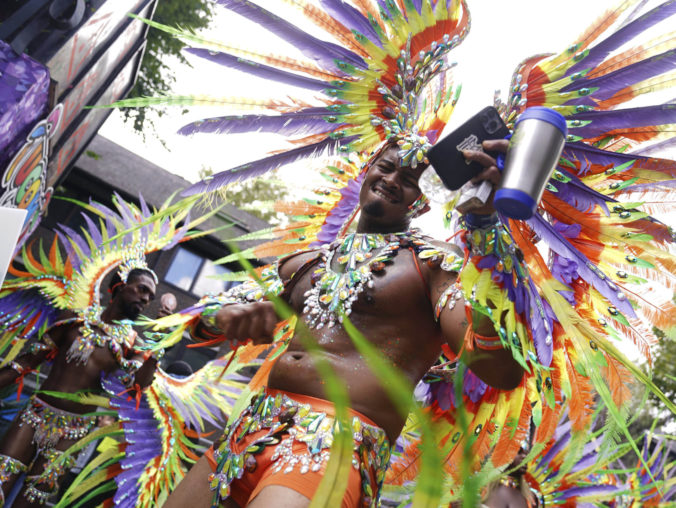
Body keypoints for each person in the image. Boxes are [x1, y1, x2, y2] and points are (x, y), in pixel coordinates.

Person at [166, 137, 524, 508]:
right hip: (247, 433)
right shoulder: (305, 262)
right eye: (385, 167)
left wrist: (483, 232)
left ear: (423, 202)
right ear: (368, 169)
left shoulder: (432, 264)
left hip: (335, 447)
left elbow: (499, 369)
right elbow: (198, 321)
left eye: (409, 178)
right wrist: (225, 317)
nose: (391, 179)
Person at [0, 267, 160, 506]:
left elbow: (137, 385)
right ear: (121, 284)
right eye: (142, 289)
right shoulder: (74, 319)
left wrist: (157, 351)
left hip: (74, 431)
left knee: (32, 501)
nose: (146, 299)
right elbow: (27, 362)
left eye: (150, 297)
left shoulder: (132, 344)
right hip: (35, 415)